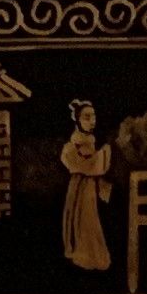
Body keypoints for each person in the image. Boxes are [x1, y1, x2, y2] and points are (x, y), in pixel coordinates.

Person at [57, 100, 114, 272]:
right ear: (78, 120)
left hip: (90, 186)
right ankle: (84, 255)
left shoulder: (91, 143)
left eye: (93, 117)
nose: (92, 121)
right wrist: (101, 157)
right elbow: (85, 165)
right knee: (80, 218)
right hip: (79, 186)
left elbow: (95, 166)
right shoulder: (72, 146)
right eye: (87, 117)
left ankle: (92, 255)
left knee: (90, 219)